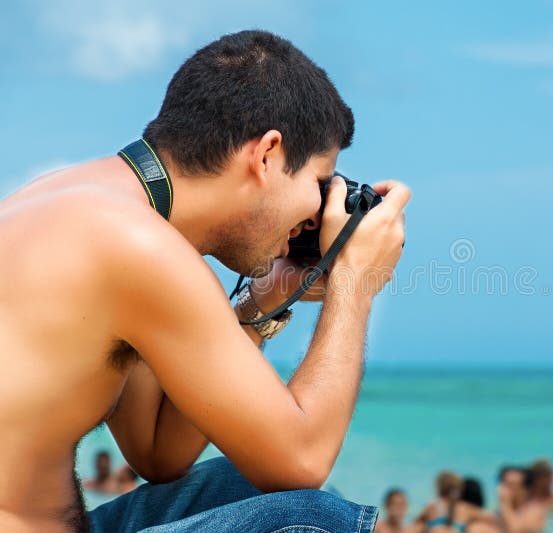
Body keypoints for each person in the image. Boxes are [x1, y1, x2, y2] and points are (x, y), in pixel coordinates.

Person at [0, 29, 409, 532]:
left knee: (242, 486)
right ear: (266, 156)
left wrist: (266, 301)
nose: (311, 216)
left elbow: (157, 451)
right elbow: (300, 457)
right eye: (317, 185)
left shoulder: (99, 206)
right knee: (311, 520)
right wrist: (355, 283)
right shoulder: (136, 245)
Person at [415, 471, 497, 533]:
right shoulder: (465, 507)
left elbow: (416, 521)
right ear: (459, 488)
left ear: (438, 487)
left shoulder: (432, 505)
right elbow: (491, 518)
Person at [497, 469, 548, 533]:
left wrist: (505, 503)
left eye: (512, 485)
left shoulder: (535, 510)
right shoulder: (502, 511)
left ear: (526, 490)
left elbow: (516, 530)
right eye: (505, 484)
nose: (505, 490)